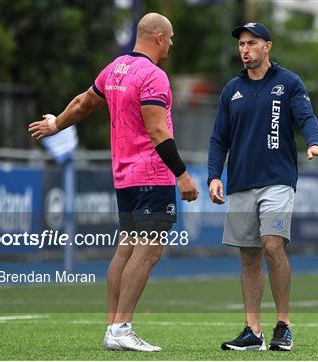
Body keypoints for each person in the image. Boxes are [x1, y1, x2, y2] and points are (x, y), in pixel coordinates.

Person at [28, 12, 199, 352]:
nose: (172, 44)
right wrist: (182, 174)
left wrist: (56, 124)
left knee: (126, 248)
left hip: (124, 174)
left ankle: (113, 328)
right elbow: (157, 130)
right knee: (148, 249)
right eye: (171, 37)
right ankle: (122, 326)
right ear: (160, 38)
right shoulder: (154, 76)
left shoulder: (115, 68)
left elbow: (82, 103)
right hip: (152, 173)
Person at [208, 22, 318, 352]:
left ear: (268, 46)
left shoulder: (289, 82)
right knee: (248, 256)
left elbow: (306, 117)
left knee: (271, 244)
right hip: (240, 183)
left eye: (252, 43)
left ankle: (284, 325)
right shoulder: (230, 90)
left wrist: (314, 143)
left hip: (278, 181)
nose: (245, 49)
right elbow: (218, 139)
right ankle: (253, 331)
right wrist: (213, 176)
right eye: (241, 44)